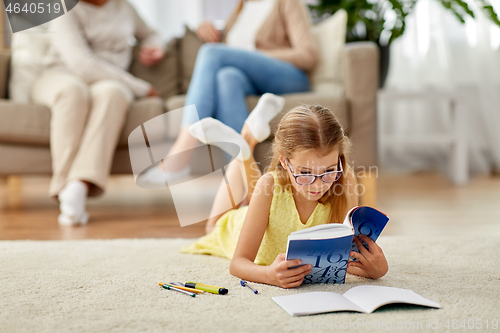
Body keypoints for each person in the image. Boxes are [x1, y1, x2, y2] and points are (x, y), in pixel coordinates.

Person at [180, 101, 388, 288]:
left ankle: (247, 142)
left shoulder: (345, 178)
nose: (317, 184)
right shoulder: (269, 184)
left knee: (262, 195)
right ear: (283, 161)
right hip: (239, 226)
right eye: (305, 173)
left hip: (269, 204)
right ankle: (243, 149)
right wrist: (267, 275)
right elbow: (237, 264)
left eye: (328, 171)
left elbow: (350, 251)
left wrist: (378, 269)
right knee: (213, 226)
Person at [139, 0, 318, 185]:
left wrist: (252, 57)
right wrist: (207, 29)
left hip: (289, 77)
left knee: (210, 52)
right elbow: (229, 51)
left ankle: (180, 154)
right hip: (248, 80)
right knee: (226, 78)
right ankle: (240, 180)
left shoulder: (286, 3)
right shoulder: (241, 7)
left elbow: (308, 55)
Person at [31, 0, 165, 226]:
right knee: (73, 93)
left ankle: (78, 186)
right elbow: (81, 62)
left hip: (108, 81)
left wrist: (154, 46)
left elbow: (151, 33)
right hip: (61, 75)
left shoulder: (124, 7)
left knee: (113, 94)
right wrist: (140, 87)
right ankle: (63, 186)